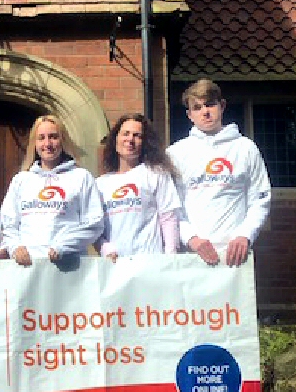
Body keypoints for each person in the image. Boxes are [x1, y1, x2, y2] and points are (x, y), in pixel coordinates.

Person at [167, 79, 271, 267]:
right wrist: (191, 239)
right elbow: (171, 207)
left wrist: (245, 235)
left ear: (222, 106)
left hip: (236, 256)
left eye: (210, 104)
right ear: (189, 115)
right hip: (193, 255)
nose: (205, 112)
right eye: (197, 107)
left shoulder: (245, 148)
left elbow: (260, 199)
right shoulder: (176, 154)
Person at [1, 114, 104, 266]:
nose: (47, 143)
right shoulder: (21, 180)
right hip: (28, 268)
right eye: (41, 138)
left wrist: (63, 246)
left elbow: (95, 224)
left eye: (53, 137)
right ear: (34, 143)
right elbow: (8, 224)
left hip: (69, 266)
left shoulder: (81, 177)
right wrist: (16, 247)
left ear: (63, 140)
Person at [95, 114, 180, 261]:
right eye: (125, 134)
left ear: (144, 143)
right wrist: (105, 249)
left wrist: (170, 259)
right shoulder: (100, 184)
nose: (130, 140)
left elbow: (168, 218)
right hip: (114, 267)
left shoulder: (155, 173)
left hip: (149, 264)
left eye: (137, 135)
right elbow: (94, 228)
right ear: (115, 139)